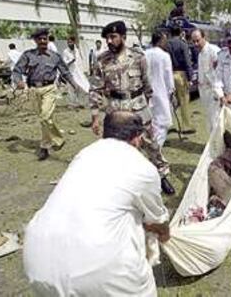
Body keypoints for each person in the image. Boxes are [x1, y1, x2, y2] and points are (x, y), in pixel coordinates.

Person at [23, 111, 170, 297]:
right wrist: (166, 235)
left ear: (105, 132)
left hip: (38, 265)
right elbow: (156, 222)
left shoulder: (84, 155)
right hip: (102, 274)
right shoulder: (143, 168)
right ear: (138, 138)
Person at [89, 20, 175, 195]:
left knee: (151, 144)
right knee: (118, 148)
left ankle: (162, 176)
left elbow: (147, 85)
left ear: (123, 37)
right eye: (107, 38)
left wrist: (149, 107)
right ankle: (126, 182)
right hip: (115, 110)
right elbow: (95, 89)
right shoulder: (101, 61)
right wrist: (95, 116)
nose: (110, 41)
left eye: (113, 37)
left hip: (138, 106)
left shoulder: (138, 57)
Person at [12, 28, 80, 161]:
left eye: (45, 39)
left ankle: (45, 146)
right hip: (33, 90)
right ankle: (56, 140)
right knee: (44, 120)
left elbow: (65, 72)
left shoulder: (55, 56)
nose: (43, 41)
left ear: (48, 40)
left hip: (49, 89)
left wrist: (74, 84)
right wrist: (18, 81)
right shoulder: (28, 55)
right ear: (35, 41)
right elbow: (17, 70)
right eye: (40, 39)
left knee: (45, 116)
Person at [145, 31, 175, 147]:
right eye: (165, 40)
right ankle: (156, 146)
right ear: (160, 40)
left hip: (147, 93)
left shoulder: (145, 53)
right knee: (163, 122)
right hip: (161, 92)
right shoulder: (164, 56)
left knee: (150, 120)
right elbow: (168, 76)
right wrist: (171, 91)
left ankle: (151, 142)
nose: (166, 42)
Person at [191, 29, 221, 132]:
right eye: (193, 41)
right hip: (204, 91)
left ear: (204, 38)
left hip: (213, 91)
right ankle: (213, 143)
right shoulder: (200, 54)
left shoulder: (213, 50)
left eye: (198, 40)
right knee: (209, 119)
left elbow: (219, 71)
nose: (196, 44)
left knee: (215, 119)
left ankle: (217, 144)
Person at [167, 25, 195, 134]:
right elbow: (188, 62)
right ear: (180, 32)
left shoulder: (167, 44)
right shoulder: (182, 44)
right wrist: (190, 76)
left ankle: (170, 124)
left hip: (169, 73)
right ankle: (186, 126)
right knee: (184, 100)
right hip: (181, 74)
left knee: (171, 101)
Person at [62, 36, 90, 107]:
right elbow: (65, 63)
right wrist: (71, 61)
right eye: (68, 42)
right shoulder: (65, 51)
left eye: (70, 42)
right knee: (71, 88)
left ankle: (80, 102)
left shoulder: (77, 50)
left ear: (73, 42)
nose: (69, 44)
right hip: (70, 73)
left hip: (79, 72)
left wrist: (84, 70)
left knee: (83, 86)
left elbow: (81, 61)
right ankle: (72, 103)